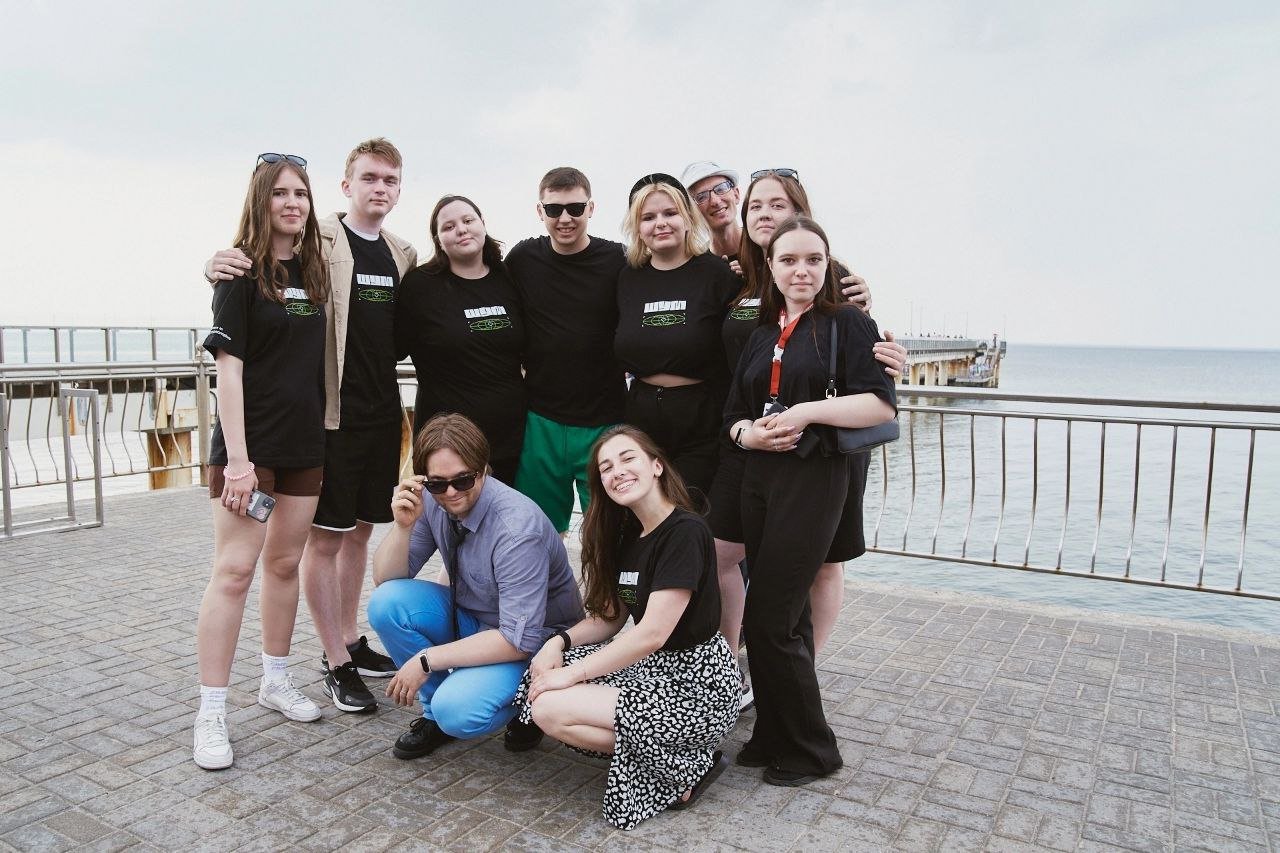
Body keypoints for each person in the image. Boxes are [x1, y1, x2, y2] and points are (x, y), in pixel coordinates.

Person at [204, 139, 418, 715]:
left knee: (357, 532)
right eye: (368, 177)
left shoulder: (403, 254)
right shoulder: (320, 240)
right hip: (327, 419)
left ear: (400, 189)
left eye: (390, 180)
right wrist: (215, 264)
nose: (379, 188)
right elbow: (253, 264)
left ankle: (347, 639)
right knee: (305, 546)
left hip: (378, 416)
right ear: (346, 186)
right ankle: (332, 660)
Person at [724, 215, 897, 785]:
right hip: (760, 477)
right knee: (784, 616)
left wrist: (804, 412)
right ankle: (772, 734)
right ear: (771, 269)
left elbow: (879, 404)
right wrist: (747, 435)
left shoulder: (847, 322)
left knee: (770, 618)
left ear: (827, 266)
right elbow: (734, 412)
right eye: (789, 260)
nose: (802, 270)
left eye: (813, 260)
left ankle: (812, 750)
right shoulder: (761, 332)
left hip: (814, 476)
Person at [517, 426, 739, 830]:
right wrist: (557, 643)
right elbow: (610, 618)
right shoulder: (629, 536)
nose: (616, 471)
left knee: (549, 707)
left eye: (627, 458)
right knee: (544, 676)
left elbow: (652, 633)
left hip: (697, 685)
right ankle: (667, 759)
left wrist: (574, 674)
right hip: (653, 670)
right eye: (605, 467)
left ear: (657, 466)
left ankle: (688, 764)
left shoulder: (686, 531)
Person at [193, 153, 328, 770]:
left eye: (301, 192)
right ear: (260, 200)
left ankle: (275, 680)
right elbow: (229, 372)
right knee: (234, 572)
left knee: (284, 564)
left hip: (305, 446)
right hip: (249, 452)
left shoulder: (314, 269)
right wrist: (240, 463)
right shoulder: (239, 273)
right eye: (280, 193)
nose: (292, 202)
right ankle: (211, 711)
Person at [369, 413, 584, 759]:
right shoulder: (432, 500)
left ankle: (530, 704)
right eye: (438, 484)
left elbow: (518, 639)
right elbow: (386, 579)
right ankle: (434, 714)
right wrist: (402, 526)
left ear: (483, 469)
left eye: (463, 480)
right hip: (478, 621)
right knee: (386, 603)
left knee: (458, 712)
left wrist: (426, 660)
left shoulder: (516, 530)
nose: (451, 493)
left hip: (537, 643)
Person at [505, 167, 628, 534]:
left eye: (575, 208)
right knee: (537, 534)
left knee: (609, 535)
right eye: (554, 209)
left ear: (591, 208)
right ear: (539, 211)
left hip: (605, 421)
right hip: (542, 420)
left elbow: (668, 275)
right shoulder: (523, 258)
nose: (565, 219)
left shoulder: (619, 260)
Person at [615, 174, 739, 495]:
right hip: (640, 418)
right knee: (643, 508)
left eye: (670, 213)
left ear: (687, 218)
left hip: (700, 418)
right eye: (648, 217)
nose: (660, 223)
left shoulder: (717, 273)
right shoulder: (627, 278)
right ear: (637, 228)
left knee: (687, 508)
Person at [396, 195, 526, 484]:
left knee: (506, 512)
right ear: (438, 239)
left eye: (468, 220)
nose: (462, 229)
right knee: (448, 512)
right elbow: (393, 347)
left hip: (509, 437)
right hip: (446, 443)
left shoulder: (508, 279)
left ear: (483, 224)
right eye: (449, 226)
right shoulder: (420, 286)